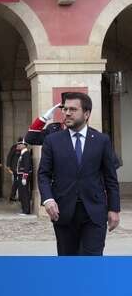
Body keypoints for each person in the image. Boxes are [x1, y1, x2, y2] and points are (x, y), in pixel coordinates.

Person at [38, 92, 120, 256]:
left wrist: (114, 209)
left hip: (94, 213)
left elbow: (111, 179)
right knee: (68, 264)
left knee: (92, 262)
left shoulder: (101, 140)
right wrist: (48, 199)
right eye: (65, 109)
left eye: (73, 109)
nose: (67, 113)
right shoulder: (52, 141)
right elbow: (43, 175)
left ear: (87, 113)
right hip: (63, 213)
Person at [14, 141, 32, 215]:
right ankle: (24, 209)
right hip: (20, 175)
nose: (18, 145)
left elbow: (27, 166)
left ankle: (26, 210)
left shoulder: (26, 153)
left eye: (19, 144)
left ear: (24, 145)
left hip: (23, 175)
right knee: (21, 193)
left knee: (24, 193)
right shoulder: (22, 153)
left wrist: (24, 177)